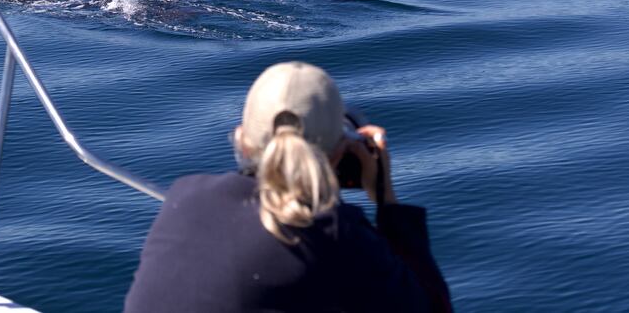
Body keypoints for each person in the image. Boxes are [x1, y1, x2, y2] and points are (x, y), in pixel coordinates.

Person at [124, 61, 452, 312]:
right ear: (341, 152)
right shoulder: (337, 232)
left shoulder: (184, 197)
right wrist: (386, 201)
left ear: (242, 140)